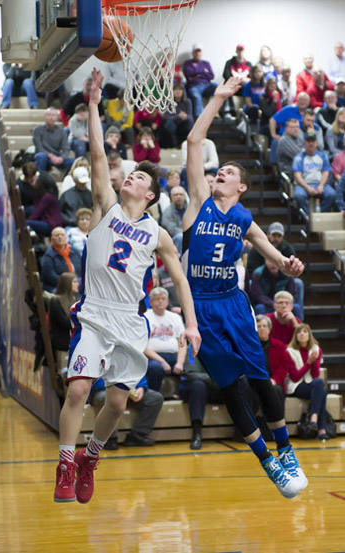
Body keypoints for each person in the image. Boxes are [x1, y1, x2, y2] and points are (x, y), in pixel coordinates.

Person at [53, 68, 201, 504]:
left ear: (151, 194)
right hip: (95, 312)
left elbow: (180, 280)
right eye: (130, 173)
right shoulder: (106, 208)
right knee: (79, 388)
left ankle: (90, 459)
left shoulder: (159, 234)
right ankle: (65, 463)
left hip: (130, 321)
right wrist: (94, 104)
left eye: (138, 177)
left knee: (117, 405)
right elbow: (98, 155)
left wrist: (189, 324)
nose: (130, 177)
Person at [184, 76, 307, 498]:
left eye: (229, 172)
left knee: (260, 381)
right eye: (221, 170)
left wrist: (288, 264)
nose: (221, 173)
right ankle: (267, 461)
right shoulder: (201, 199)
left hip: (233, 305)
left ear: (241, 188)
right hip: (201, 307)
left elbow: (273, 256)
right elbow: (194, 142)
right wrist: (219, 96)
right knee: (231, 386)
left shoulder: (243, 220)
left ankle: (287, 449)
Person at [89, 376, 164, 448]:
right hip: (104, 389)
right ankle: (109, 439)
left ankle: (137, 435)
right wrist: (119, 387)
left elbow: (139, 370)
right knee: (105, 399)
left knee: (155, 398)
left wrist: (141, 386)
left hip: (128, 389)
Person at [285, 324, 329, 440]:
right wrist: (309, 362)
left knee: (319, 384)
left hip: (311, 384)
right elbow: (294, 377)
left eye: (305, 331)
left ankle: (314, 421)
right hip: (296, 386)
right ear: (296, 336)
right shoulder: (289, 351)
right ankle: (321, 429)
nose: (302, 334)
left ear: (309, 335)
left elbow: (315, 375)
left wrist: (314, 361)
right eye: (299, 332)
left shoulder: (316, 349)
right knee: (322, 392)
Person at [178, 351, 225, 450]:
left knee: (240, 383)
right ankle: (197, 434)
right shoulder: (193, 347)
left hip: (216, 387)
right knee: (198, 386)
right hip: (194, 387)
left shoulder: (223, 347)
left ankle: (242, 432)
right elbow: (191, 374)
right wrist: (214, 379)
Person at [144, 287, 187, 392]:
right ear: (150, 302)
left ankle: (180, 394)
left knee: (191, 368)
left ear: (168, 301)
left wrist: (180, 362)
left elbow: (182, 342)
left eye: (163, 298)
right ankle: (154, 395)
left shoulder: (176, 317)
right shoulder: (144, 318)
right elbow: (142, 346)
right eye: (157, 299)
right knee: (156, 368)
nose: (160, 301)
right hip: (153, 357)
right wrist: (161, 361)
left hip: (174, 356)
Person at [293, 132, 335, 214]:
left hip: (320, 184)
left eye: (313, 141)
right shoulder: (299, 157)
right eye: (308, 141)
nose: (311, 143)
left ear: (316, 143)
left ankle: (321, 216)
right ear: (305, 143)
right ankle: (308, 217)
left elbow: (326, 172)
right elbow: (297, 176)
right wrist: (308, 188)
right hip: (304, 184)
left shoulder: (323, 156)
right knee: (299, 195)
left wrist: (321, 186)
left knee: (331, 194)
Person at [256, 315, 288, 412]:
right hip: (256, 381)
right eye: (259, 326)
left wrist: (274, 380)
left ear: (269, 329)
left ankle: (279, 424)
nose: (262, 329)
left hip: (274, 382)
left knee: (276, 390)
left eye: (264, 326)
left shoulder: (279, 346)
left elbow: (284, 366)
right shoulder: (250, 347)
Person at [33, 108, 74, 174]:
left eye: (54, 115)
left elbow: (66, 148)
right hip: (44, 155)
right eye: (49, 115)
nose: (51, 117)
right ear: (45, 116)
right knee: (40, 156)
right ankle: (40, 180)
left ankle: (65, 180)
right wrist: (51, 156)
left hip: (57, 157)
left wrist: (61, 158)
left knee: (73, 162)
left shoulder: (61, 131)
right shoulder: (37, 130)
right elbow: (39, 147)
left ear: (57, 117)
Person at [41, 226, 81, 293]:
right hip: (58, 286)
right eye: (57, 235)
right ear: (52, 239)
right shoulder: (48, 256)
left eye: (62, 235)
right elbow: (51, 277)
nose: (60, 237)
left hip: (77, 282)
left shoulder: (74, 251)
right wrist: (69, 284)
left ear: (66, 237)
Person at [183, 44, 218, 118]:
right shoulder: (187, 63)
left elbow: (211, 76)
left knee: (218, 85)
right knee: (194, 94)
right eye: (196, 51)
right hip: (194, 86)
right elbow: (188, 74)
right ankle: (200, 117)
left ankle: (225, 112)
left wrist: (196, 75)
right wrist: (203, 71)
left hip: (207, 86)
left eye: (199, 51)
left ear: (201, 53)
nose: (198, 53)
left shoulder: (206, 63)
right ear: (193, 52)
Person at [49, 272, 80, 353]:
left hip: (75, 338)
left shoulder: (76, 299)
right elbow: (66, 323)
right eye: (74, 282)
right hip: (63, 340)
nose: (78, 284)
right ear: (67, 284)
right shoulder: (56, 301)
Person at [26, 172, 63, 237]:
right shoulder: (41, 195)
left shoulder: (47, 197)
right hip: (48, 222)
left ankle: (32, 233)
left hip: (52, 225)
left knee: (26, 223)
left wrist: (26, 223)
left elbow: (37, 212)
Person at [160, 84, 193, 148]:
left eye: (180, 90)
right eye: (175, 90)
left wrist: (185, 116)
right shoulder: (168, 101)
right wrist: (178, 116)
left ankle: (188, 144)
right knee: (169, 124)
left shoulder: (187, 101)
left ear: (183, 92)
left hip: (183, 123)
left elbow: (190, 116)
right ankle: (174, 145)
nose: (178, 92)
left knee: (189, 123)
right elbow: (166, 116)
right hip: (172, 123)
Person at [161, 186, 188, 253]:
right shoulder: (167, 212)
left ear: (185, 196)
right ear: (171, 197)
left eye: (181, 194)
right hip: (173, 239)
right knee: (180, 237)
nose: (178, 196)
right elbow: (172, 230)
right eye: (176, 195)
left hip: (188, 236)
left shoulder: (190, 209)